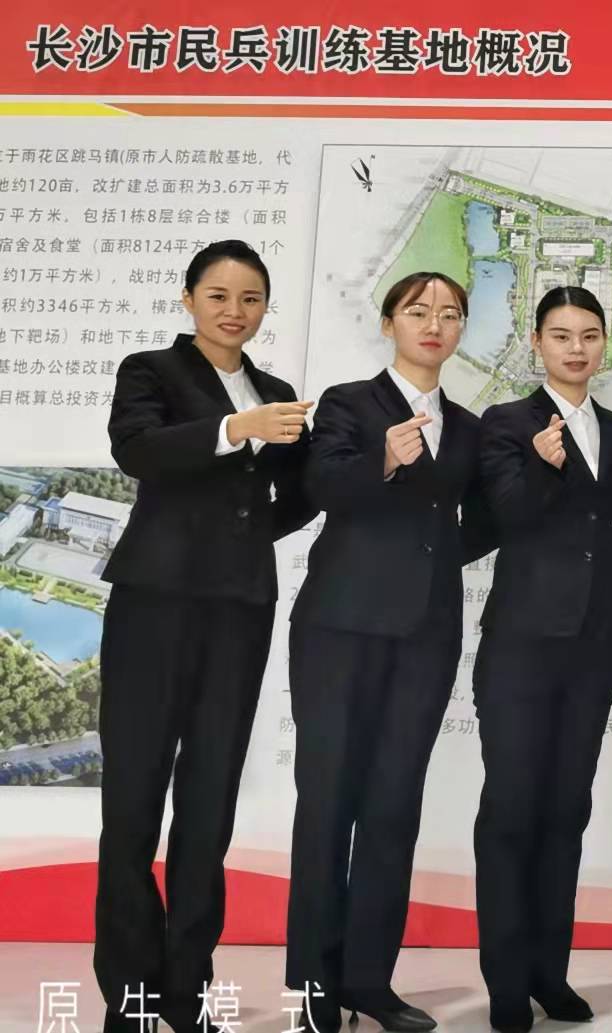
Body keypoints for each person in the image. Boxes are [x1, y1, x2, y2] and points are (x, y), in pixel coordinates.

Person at [95, 239, 314, 1033]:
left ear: (265, 307)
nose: (234, 310)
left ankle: (187, 993)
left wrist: (248, 533)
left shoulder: (278, 392)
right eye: (218, 295)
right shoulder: (151, 370)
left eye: (250, 297)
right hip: (154, 603)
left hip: (238, 608)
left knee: (209, 804)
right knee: (132, 804)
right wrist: (233, 428)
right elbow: (137, 451)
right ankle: (132, 998)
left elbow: (301, 491)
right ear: (188, 299)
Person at [284, 271, 497, 1033]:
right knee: (327, 803)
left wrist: (431, 557)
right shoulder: (349, 403)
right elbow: (321, 486)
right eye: (418, 310)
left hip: (426, 635)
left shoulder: (469, 427)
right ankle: (314, 988)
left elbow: (482, 522)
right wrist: (381, 458)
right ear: (389, 322)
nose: (434, 323)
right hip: (339, 628)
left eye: (450, 313)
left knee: (393, 806)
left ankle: (369, 981)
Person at [471, 287, 612, 1033]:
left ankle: (551, 972)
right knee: (512, 808)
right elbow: (503, 516)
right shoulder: (506, 423)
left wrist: (584, 539)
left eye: (588, 335)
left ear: (604, 342)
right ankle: (506, 982)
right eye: (561, 335)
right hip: (520, 643)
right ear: (537, 342)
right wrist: (546, 470)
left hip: (593, 640)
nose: (576, 349)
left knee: (567, 807)